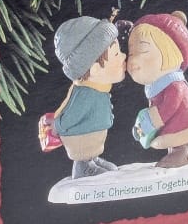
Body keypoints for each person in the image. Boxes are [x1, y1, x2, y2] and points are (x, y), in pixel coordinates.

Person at [126, 11, 188, 168]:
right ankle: (178, 151)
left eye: (143, 51)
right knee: (170, 137)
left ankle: (183, 152)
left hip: (183, 119)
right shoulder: (155, 86)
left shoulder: (174, 85)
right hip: (168, 121)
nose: (132, 60)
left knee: (178, 136)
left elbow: (170, 105)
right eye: (131, 53)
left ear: (169, 52)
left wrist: (155, 120)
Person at [46, 16, 127, 179]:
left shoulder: (98, 89)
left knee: (91, 151)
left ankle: (92, 160)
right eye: (116, 54)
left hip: (91, 137)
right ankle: (83, 167)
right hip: (80, 139)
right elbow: (71, 115)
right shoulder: (86, 94)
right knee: (84, 152)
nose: (124, 56)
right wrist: (57, 126)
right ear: (95, 69)